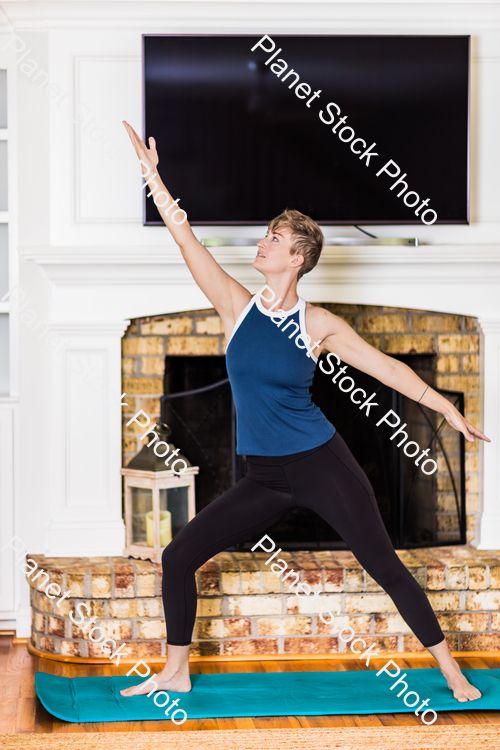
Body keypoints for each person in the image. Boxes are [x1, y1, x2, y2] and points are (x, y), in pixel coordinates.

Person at [120, 121, 489, 702]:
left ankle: (452, 672)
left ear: (297, 258)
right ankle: (175, 670)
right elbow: (184, 237)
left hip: (323, 464)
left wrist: (446, 408)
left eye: (274, 238)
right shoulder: (236, 306)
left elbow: (387, 369)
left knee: (385, 566)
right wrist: (154, 178)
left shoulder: (316, 325)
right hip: (264, 475)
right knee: (178, 555)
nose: (262, 243)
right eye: (266, 234)